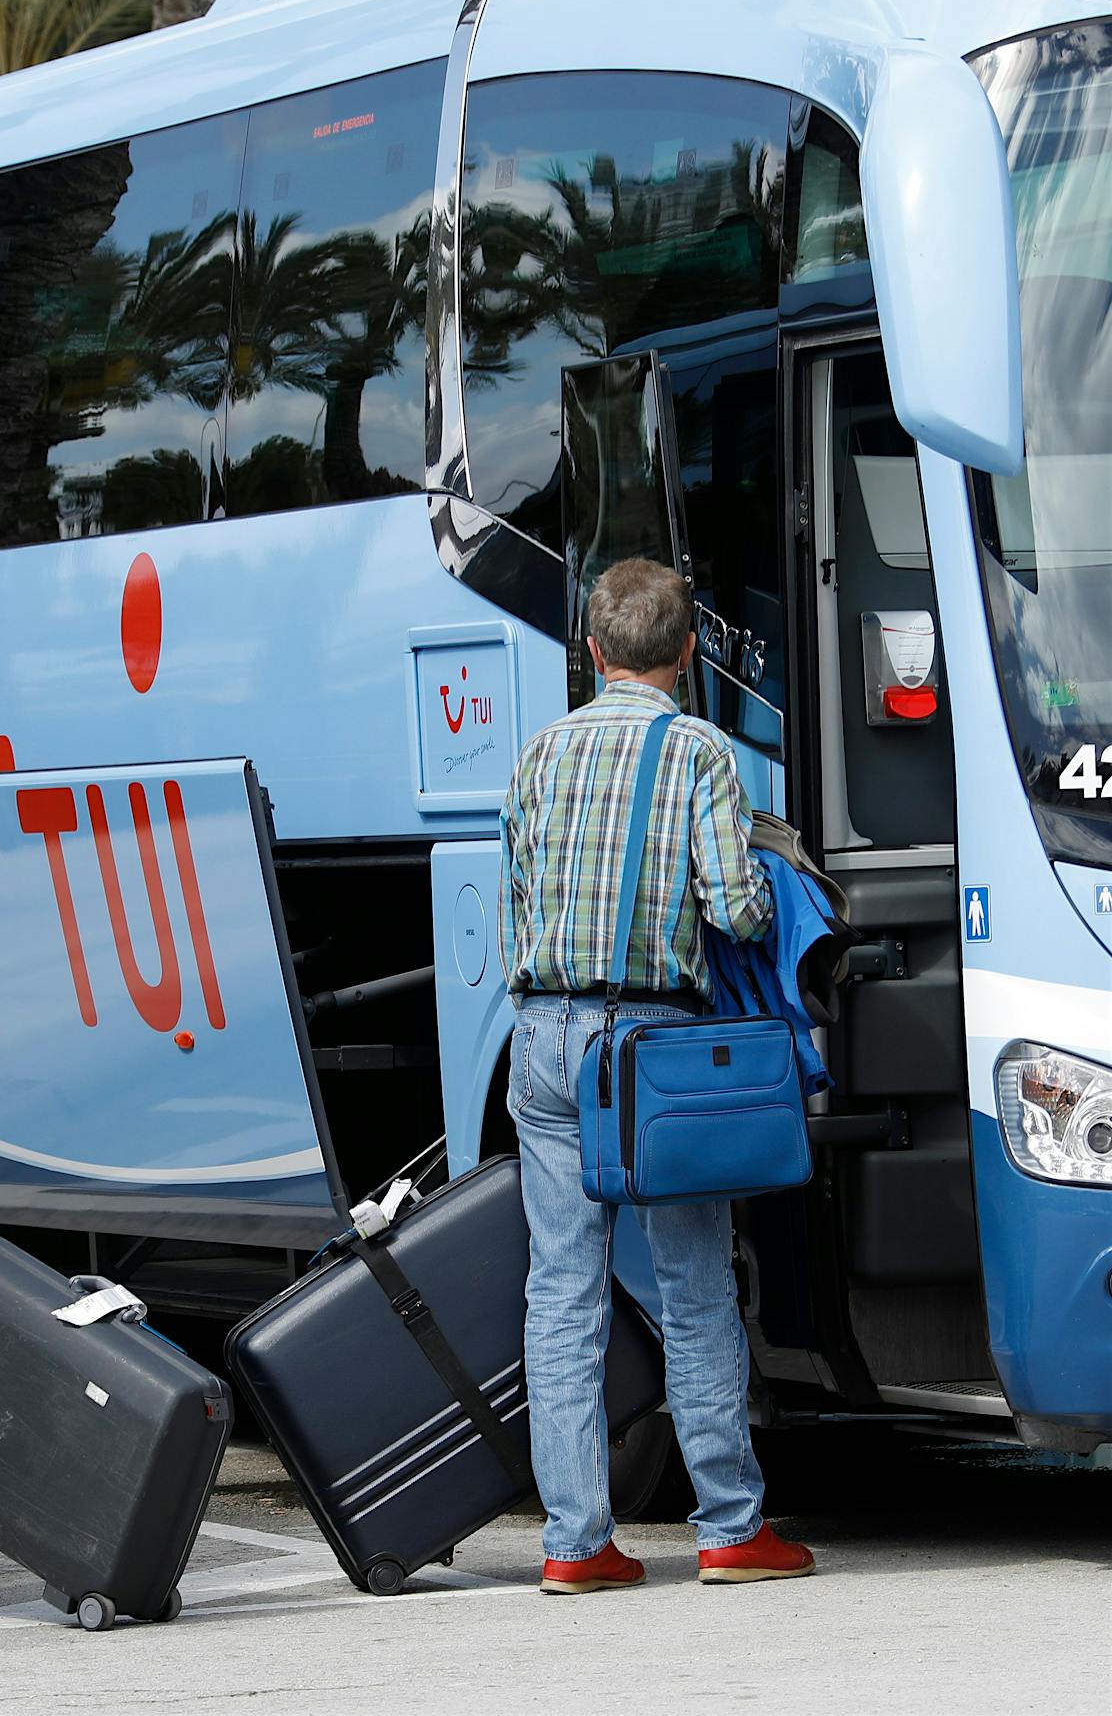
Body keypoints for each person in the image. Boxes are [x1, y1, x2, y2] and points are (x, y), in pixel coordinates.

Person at [498, 558, 816, 1594]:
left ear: (592, 651)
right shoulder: (695, 751)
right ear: (687, 652)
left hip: (541, 1037)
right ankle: (727, 1527)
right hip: (648, 1049)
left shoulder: (537, 752)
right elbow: (734, 908)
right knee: (691, 1284)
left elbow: (516, 900)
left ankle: (573, 1542)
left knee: (561, 1288)